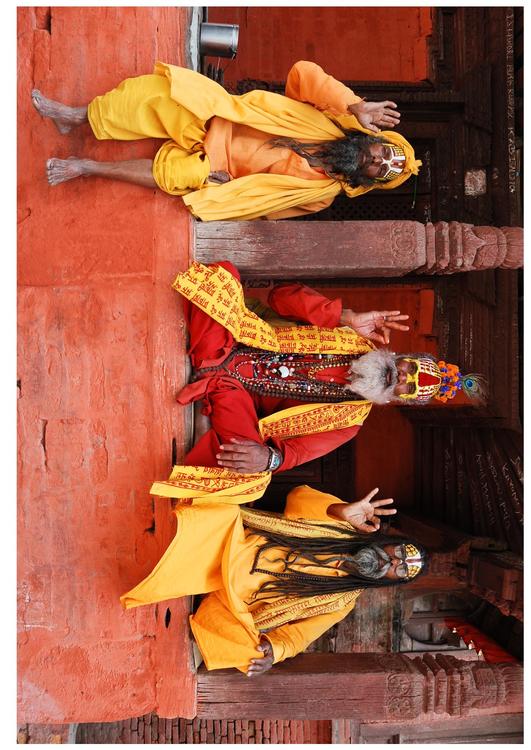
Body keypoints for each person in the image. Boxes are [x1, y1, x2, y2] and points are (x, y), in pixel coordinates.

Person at [174, 260, 486, 474]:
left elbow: (295, 454)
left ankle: (208, 375)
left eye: (409, 385)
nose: (402, 376)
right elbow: (280, 297)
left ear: (396, 400)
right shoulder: (349, 335)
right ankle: (206, 361)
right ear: (398, 355)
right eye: (409, 367)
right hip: (229, 343)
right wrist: (344, 316)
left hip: (232, 397)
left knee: (248, 476)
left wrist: (268, 458)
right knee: (221, 275)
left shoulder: (349, 423)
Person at [32, 60, 422, 220]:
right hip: (222, 116)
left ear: (370, 181)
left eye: (380, 169)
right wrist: (354, 103)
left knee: (174, 175)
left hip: (219, 169)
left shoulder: (323, 194)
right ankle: (74, 117)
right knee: (163, 95)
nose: (375, 160)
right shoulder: (336, 117)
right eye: (382, 152)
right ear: (375, 139)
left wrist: (232, 187)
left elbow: (268, 208)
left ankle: (86, 168)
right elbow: (303, 72)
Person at [121, 481, 427, 675]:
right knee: (230, 500)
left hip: (233, 601)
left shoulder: (342, 601)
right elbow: (298, 496)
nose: (392, 560)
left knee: (248, 653)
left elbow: (299, 636)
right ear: (389, 541)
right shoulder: (343, 527)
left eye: (399, 568)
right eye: (399, 551)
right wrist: (338, 510)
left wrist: (274, 650)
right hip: (231, 542)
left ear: (390, 581)